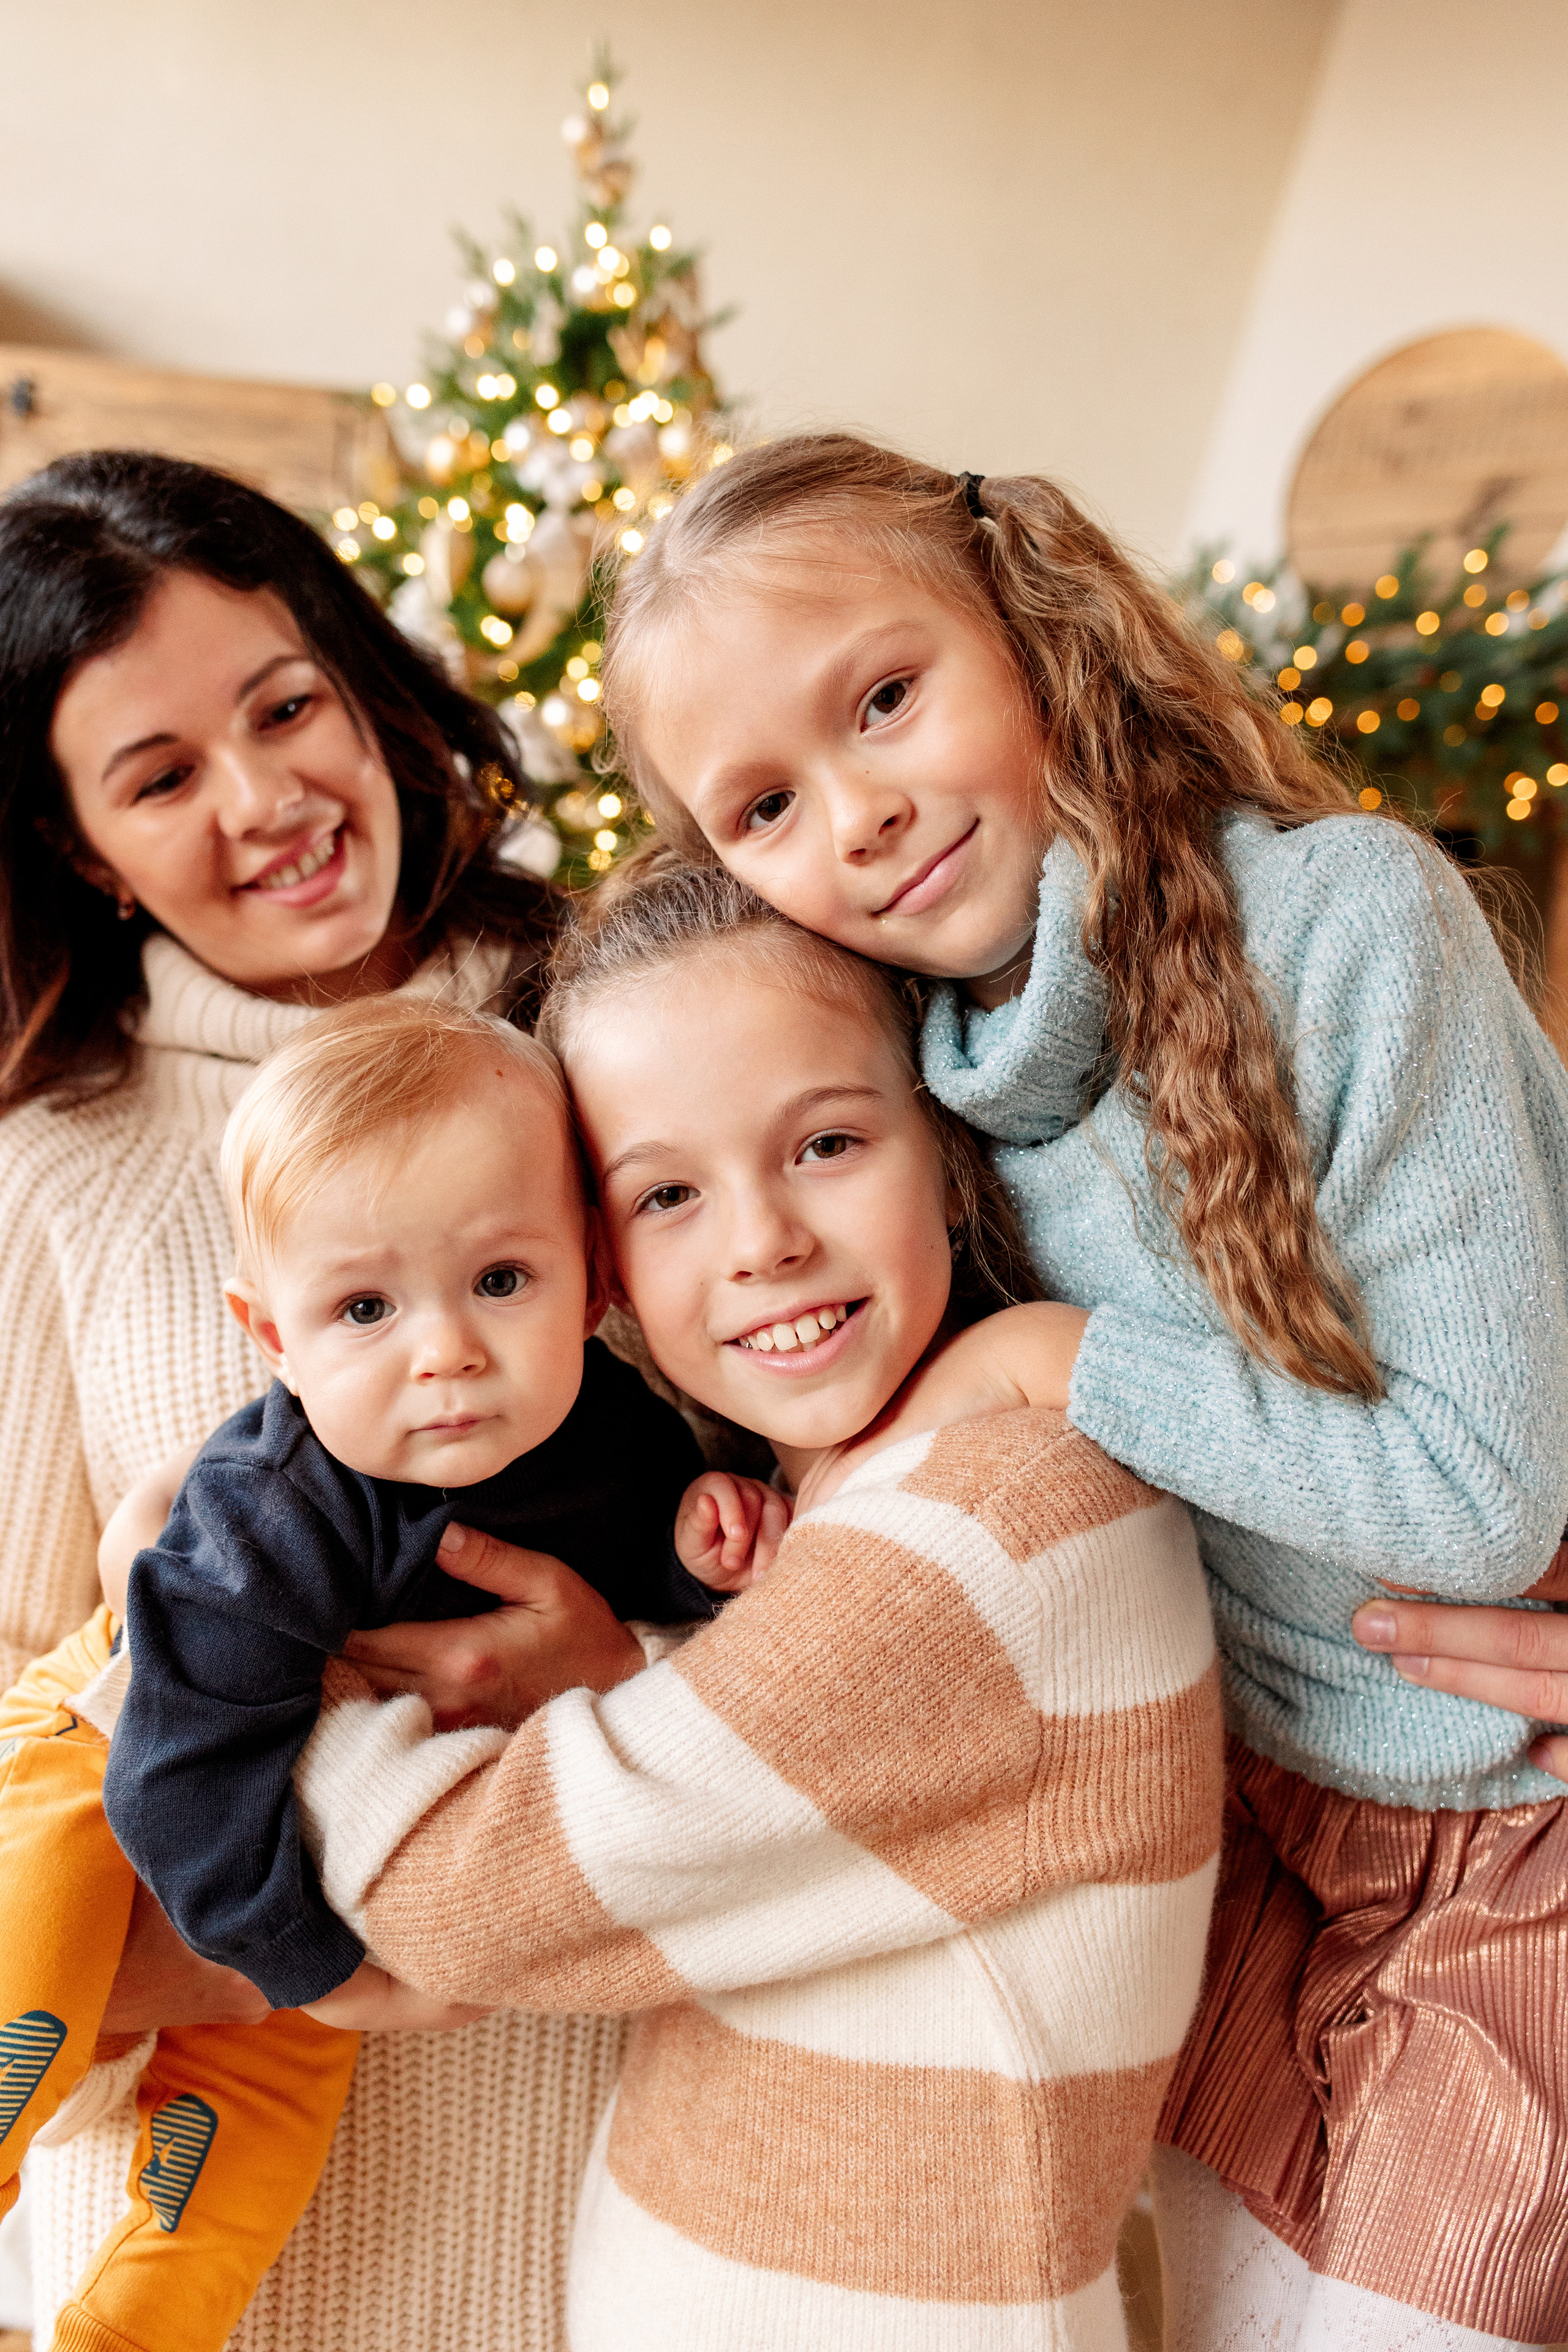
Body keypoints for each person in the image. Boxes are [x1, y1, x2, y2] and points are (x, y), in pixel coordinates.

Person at [584, 434, 1568, 2348]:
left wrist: (1061, 1362)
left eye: (885, 698)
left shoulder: (1345, 924)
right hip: (1263, 1847)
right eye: (766, 806)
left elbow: (1482, 1501)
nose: (861, 814)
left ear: (1029, 631)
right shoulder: (923, 1093)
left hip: (1516, 1824)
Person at [293, 859, 1225, 2351]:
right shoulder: (835, 1516)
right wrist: (630, 1665)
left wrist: (251, 1651)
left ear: (943, 1149)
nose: (760, 1241)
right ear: (596, 1268)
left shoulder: (994, 1518)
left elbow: (454, 1900)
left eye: (827, 1143)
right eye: (665, 1193)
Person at [0, 449, 641, 2352]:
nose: (265, 798)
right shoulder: (56, 1165)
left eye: (285, 709)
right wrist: (273, 1955)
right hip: (223, 2202)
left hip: (603, 2168)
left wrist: (632, 1685)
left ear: (363, 686)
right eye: (159, 776)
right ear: (81, 849)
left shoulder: (627, 1029)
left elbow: (848, 1532)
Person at [0, 993, 726, 2352]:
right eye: (364, 1308)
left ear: (595, 1278)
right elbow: (176, 1779)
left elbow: (663, 1588)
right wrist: (322, 1975)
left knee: (232, 2176)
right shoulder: (271, 1505)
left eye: (500, 1282)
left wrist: (701, 1552)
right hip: (107, 1765)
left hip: (300, 1879)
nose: (445, 1350)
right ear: (273, 1339)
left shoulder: (619, 1435)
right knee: (14, 2017)